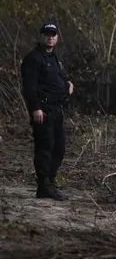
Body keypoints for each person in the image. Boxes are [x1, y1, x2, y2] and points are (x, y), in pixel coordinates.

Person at [20, 21, 74, 201]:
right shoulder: (33, 59)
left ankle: (50, 181)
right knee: (45, 147)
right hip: (43, 111)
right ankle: (44, 186)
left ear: (57, 38)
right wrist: (35, 108)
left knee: (59, 148)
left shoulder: (53, 58)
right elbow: (29, 87)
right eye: (47, 34)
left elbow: (57, 77)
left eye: (53, 34)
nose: (50, 37)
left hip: (57, 110)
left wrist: (67, 83)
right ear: (40, 36)